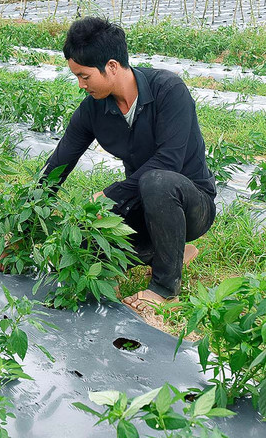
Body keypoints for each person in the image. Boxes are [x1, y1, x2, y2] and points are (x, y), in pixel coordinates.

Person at [42, 17, 217, 314]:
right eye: (77, 77)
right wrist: (27, 219)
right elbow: (58, 165)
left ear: (111, 66)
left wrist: (110, 195)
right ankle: (173, 252)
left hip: (190, 205)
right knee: (86, 244)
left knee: (157, 181)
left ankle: (165, 288)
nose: (81, 85)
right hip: (141, 207)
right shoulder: (93, 110)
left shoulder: (168, 90)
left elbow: (169, 161)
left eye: (85, 76)